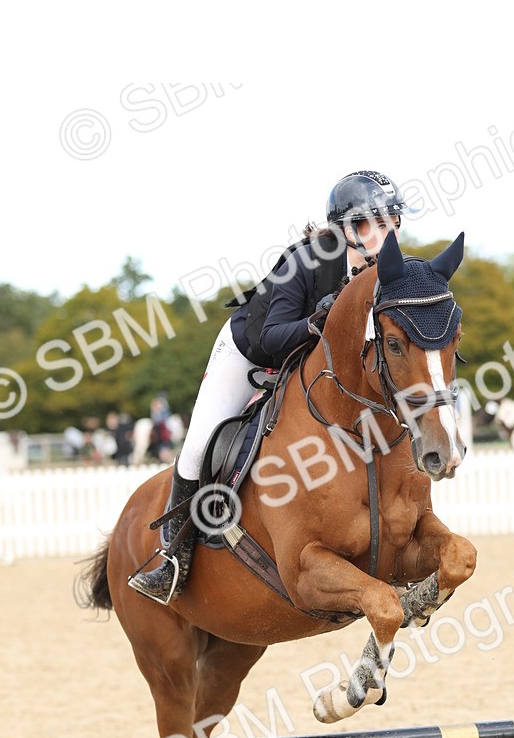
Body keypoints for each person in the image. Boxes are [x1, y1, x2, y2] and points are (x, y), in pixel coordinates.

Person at [129, 170, 410, 604]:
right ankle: (172, 557)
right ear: (349, 229)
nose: (389, 233)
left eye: (393, 221)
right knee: (199, 445)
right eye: (378, 223)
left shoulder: (386, 272)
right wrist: (320, 320)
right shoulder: (308, 260)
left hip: (312, 368)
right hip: (250, 353)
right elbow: (271, 337)